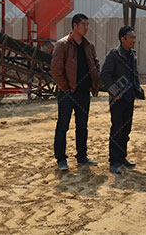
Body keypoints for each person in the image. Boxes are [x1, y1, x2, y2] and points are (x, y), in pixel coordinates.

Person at [51, 13, 100, 171]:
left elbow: (95, 64)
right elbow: (56, 70)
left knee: (82, 126)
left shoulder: (88, 46)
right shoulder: (63, 45)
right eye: (84, 24)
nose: (86, 27)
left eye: (87, 24)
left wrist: (94, 83)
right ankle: (61, 159)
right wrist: (65, 87)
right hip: (68, 93)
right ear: (75, 25)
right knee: (63, 126)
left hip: (84, 93)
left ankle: (82, 156)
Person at [101, 26, 145, 174]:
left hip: (129, 97)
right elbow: (105, 74)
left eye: (134, 37)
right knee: (117, 129)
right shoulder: (114, 55)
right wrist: (114, 92)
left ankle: (122, 157)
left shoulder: (132, 55)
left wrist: (137, 89)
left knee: (126, 129)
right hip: (117, 99)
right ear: (122, 39)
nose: (134, 40)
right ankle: (114, 161)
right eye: (131, 38)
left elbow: (134, 74)